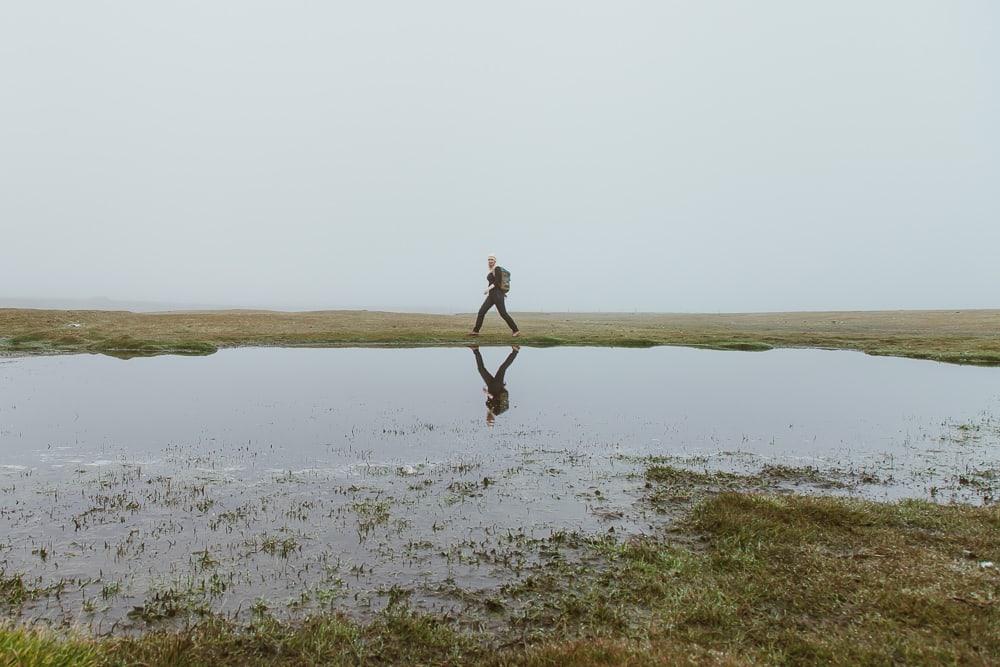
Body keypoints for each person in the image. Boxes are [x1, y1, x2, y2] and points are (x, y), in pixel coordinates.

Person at [469, 254, 519, 336]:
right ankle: (475, 331)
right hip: (492, 295)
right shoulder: (491, 270)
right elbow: (492, 282)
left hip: (497, 295)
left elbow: (497, 282)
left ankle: (516, 330)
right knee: (481, 311)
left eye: (492, 259)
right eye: (489, 259)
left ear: (495, 261)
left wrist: (487, 289)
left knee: (503, 313)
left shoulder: (497, 268)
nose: (490, 261)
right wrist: (490, 291)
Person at [471, 345, 519, 425]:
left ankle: (475, 350)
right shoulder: (497, 411)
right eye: (490, 421)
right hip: (496, 387)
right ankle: (515, 351)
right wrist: (487, 393)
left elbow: (493, 399)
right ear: (493, 419)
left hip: (492, 386)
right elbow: (495, 398)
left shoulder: (489, 407)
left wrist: (489, 392)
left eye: (487, 420)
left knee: (481, 369)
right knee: (502, 368)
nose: (487, 418)